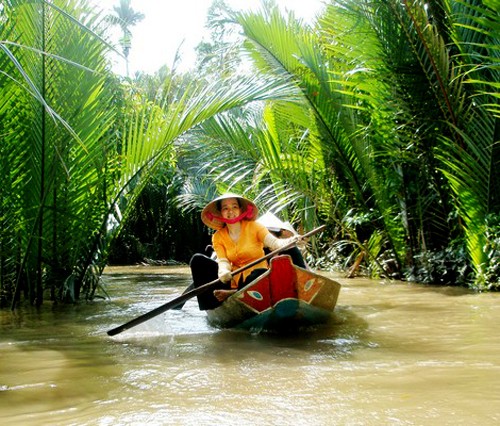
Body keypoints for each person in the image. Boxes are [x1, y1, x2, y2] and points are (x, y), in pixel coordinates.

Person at [189, 193, 302, 310]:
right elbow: (223, 260)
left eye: (234, 207)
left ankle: (234, 293)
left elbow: (274, 243)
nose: (230, 211)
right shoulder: (217, 236)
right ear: (220, 213)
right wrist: (223, 272)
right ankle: (213, 308)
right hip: (234, 278)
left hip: (257, 278)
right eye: (225, 208)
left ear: (241, 209)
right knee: (197, 260)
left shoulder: (255, 227)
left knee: (258, 274)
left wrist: (290, 241)